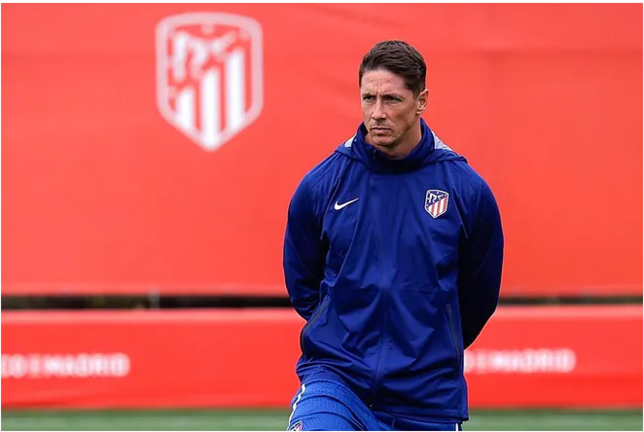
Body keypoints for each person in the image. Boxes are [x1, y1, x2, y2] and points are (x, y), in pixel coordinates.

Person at [282, 40, 504, 431]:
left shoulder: (466, 191)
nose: (377, 113)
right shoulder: (323, 184)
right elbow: (303, 281)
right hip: (337, 379)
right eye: (368, 98)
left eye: (392, 99)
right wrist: (345, 332)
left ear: (421, 101)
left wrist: (426, 343)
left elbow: (478, 296)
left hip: (428, 397)